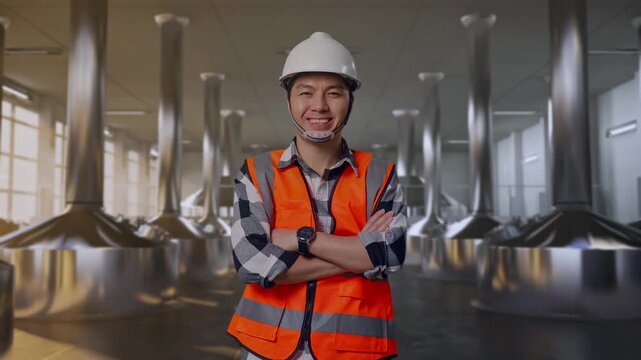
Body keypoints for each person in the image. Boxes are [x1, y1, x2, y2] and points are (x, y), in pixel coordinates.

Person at [227, 31, 407, 360]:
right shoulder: (257, 172)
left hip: (355, 349)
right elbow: (251, 264)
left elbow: (391, 255)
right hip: (266, 346)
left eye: (334, 93)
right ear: (289, 101)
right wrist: (356, 254)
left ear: (350, 100)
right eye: (306, 92)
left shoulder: (380, 175)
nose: (319, 106)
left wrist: (301, 239)